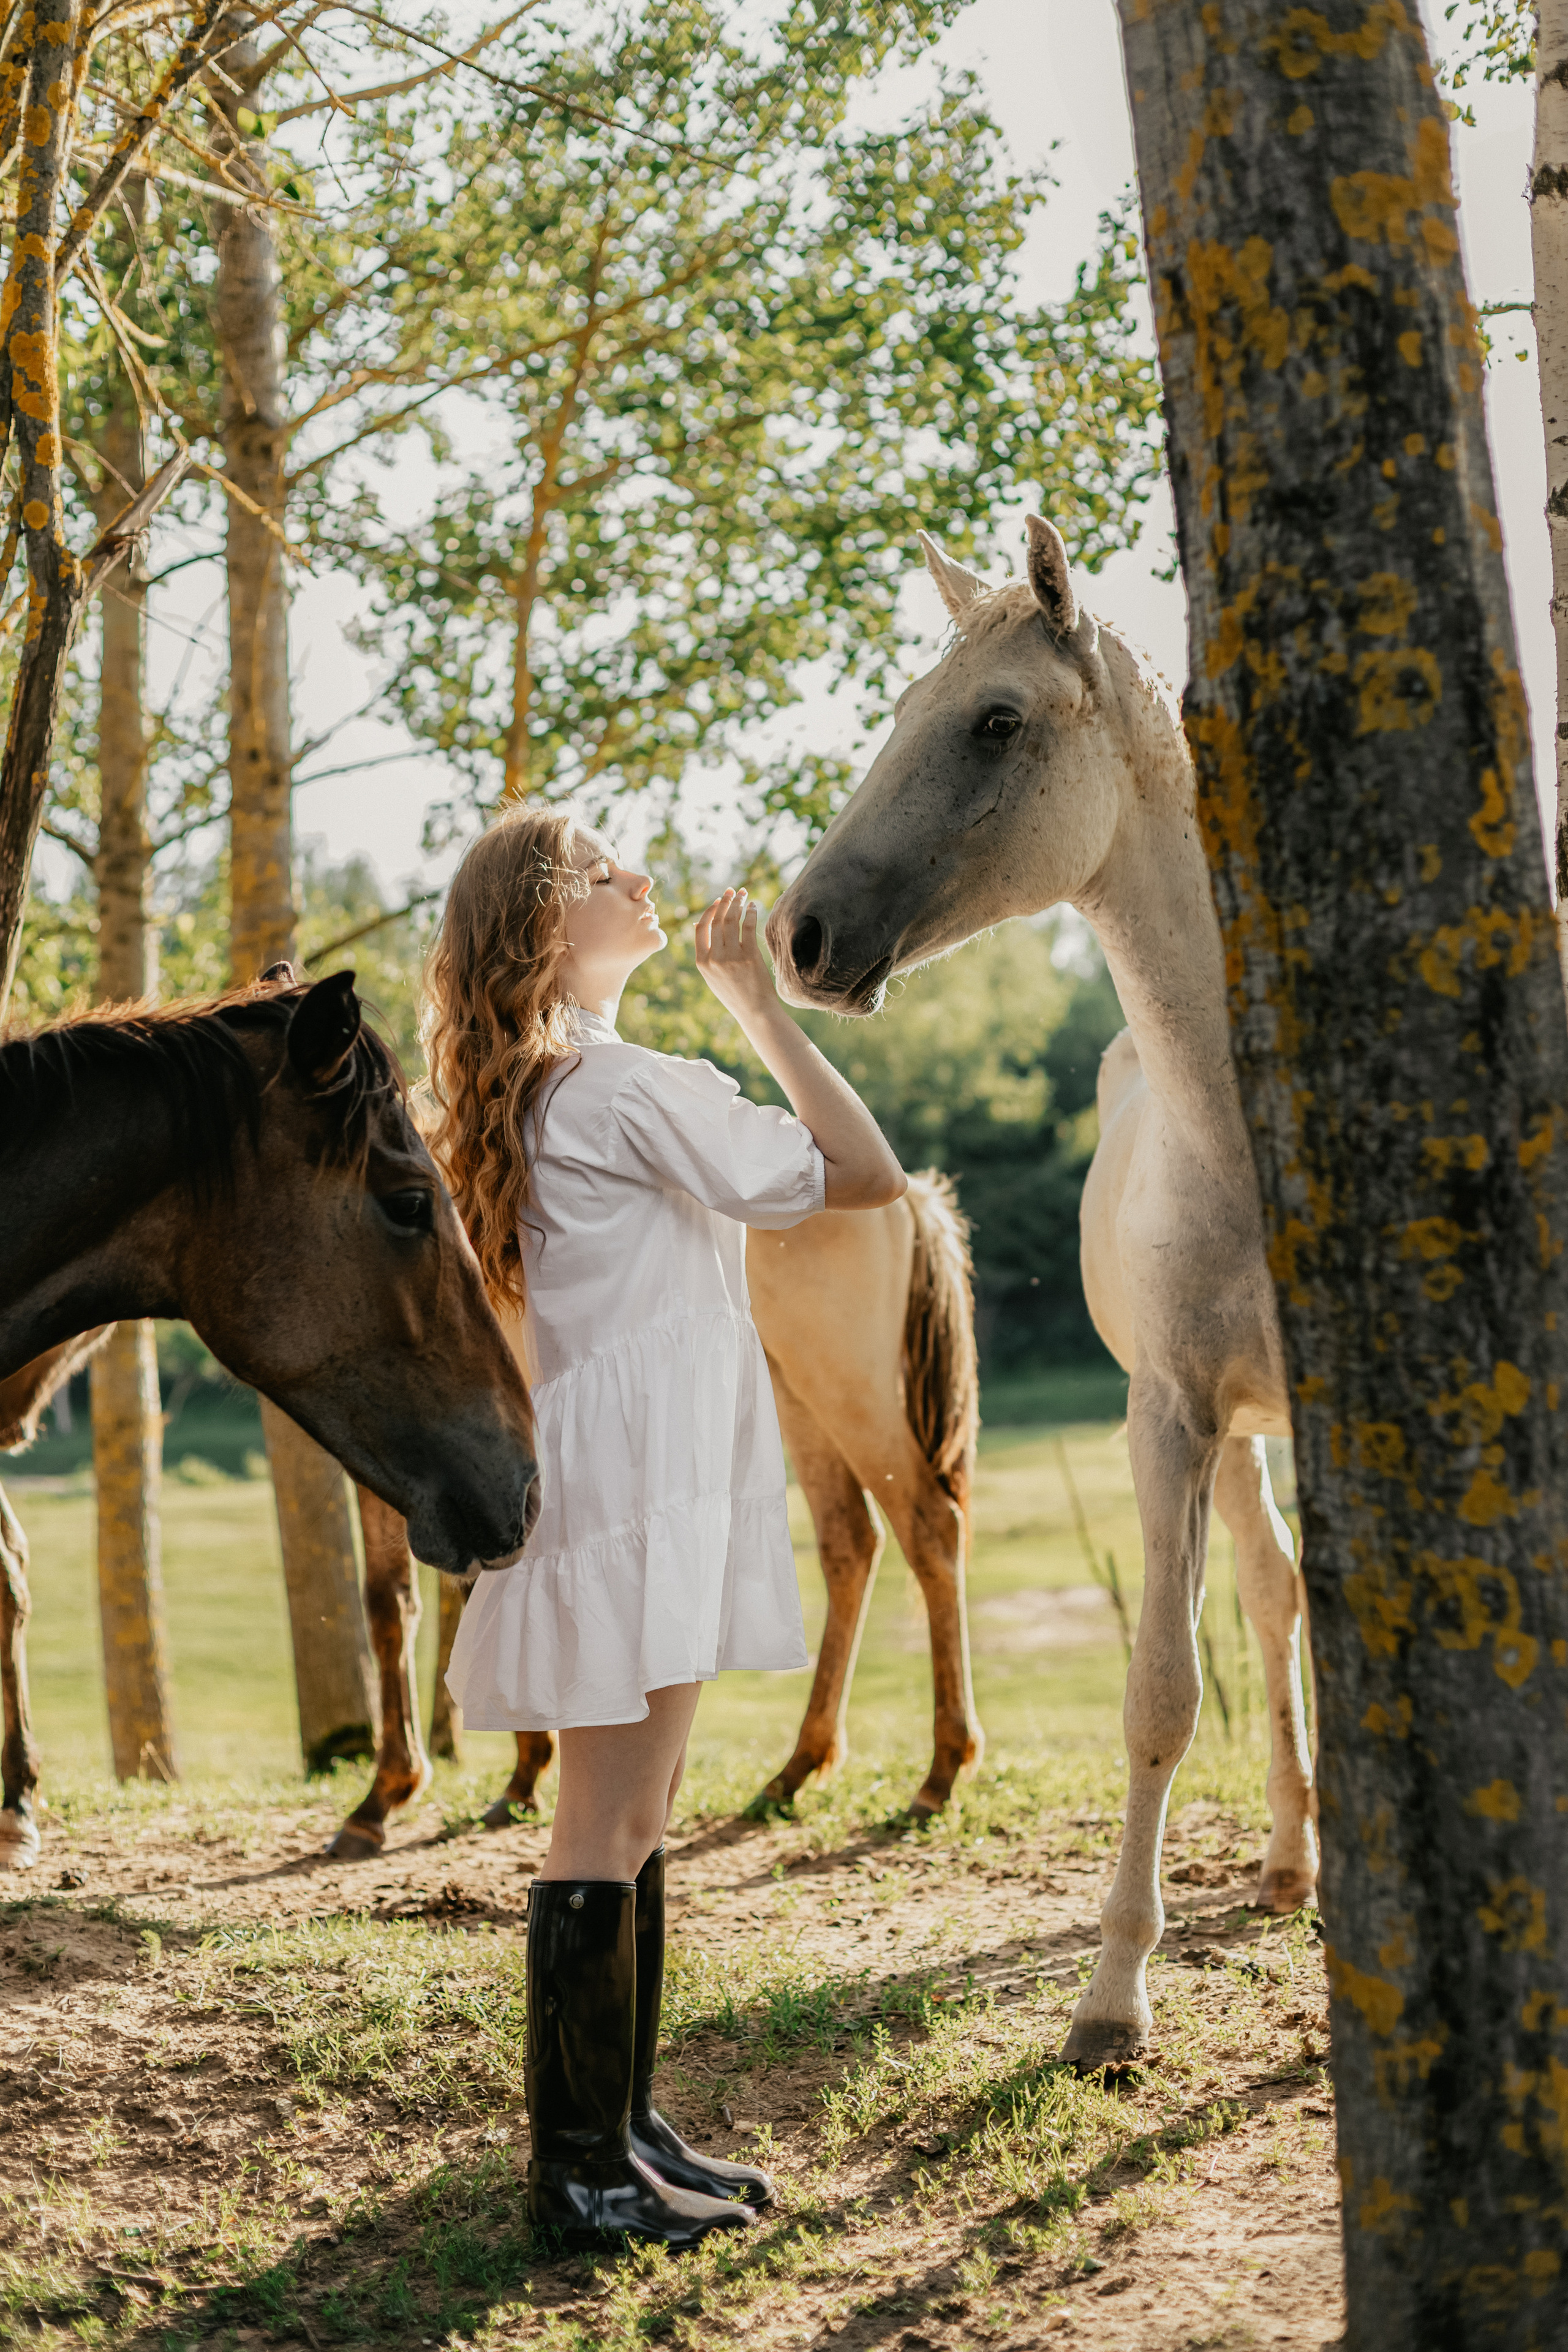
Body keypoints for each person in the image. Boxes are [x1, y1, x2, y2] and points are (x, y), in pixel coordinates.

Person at [424, 805, 904, 2249]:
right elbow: (863, 1171)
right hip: (634, 1495)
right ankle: (574, 2174)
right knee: (606, 1822)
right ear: (542, 930)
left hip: (620, 1484)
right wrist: (758, 1002)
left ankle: (623, 2134)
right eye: (595, 873)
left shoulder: (552, 1087)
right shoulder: (620, 1086)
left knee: (630, 1819)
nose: (637, 879)